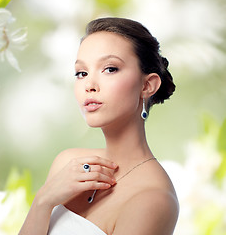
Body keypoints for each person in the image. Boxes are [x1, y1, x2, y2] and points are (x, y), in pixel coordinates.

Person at [19, 17, 179, 235]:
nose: (89, 85)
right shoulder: (68, 164)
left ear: (147, 85)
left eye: (110, 69)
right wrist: (43, 201)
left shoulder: (152, 199)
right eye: (81, 73)